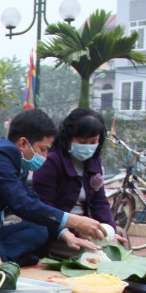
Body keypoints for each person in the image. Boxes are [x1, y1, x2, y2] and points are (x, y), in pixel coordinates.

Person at [0, 108, 104, 266]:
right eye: (43, 149)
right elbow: (22, 204)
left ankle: (3, 260)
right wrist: (74, 221)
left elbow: (32, 200)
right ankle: (3, 261)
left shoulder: (19, 163)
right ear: (23, 143)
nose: (45, 156)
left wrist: (63, 232)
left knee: (39, 230)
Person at [32, 108, 120, 257]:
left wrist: (110, 231)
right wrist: (72, 229)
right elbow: (44, 207)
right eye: (82, 141)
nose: (88, 146)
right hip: (56, 229)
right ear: (68, 137)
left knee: (118, 241)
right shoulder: (50, 161)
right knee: (86, 253)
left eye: (93, 142)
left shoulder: (94, 162)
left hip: (86, 228)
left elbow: (99, 201)